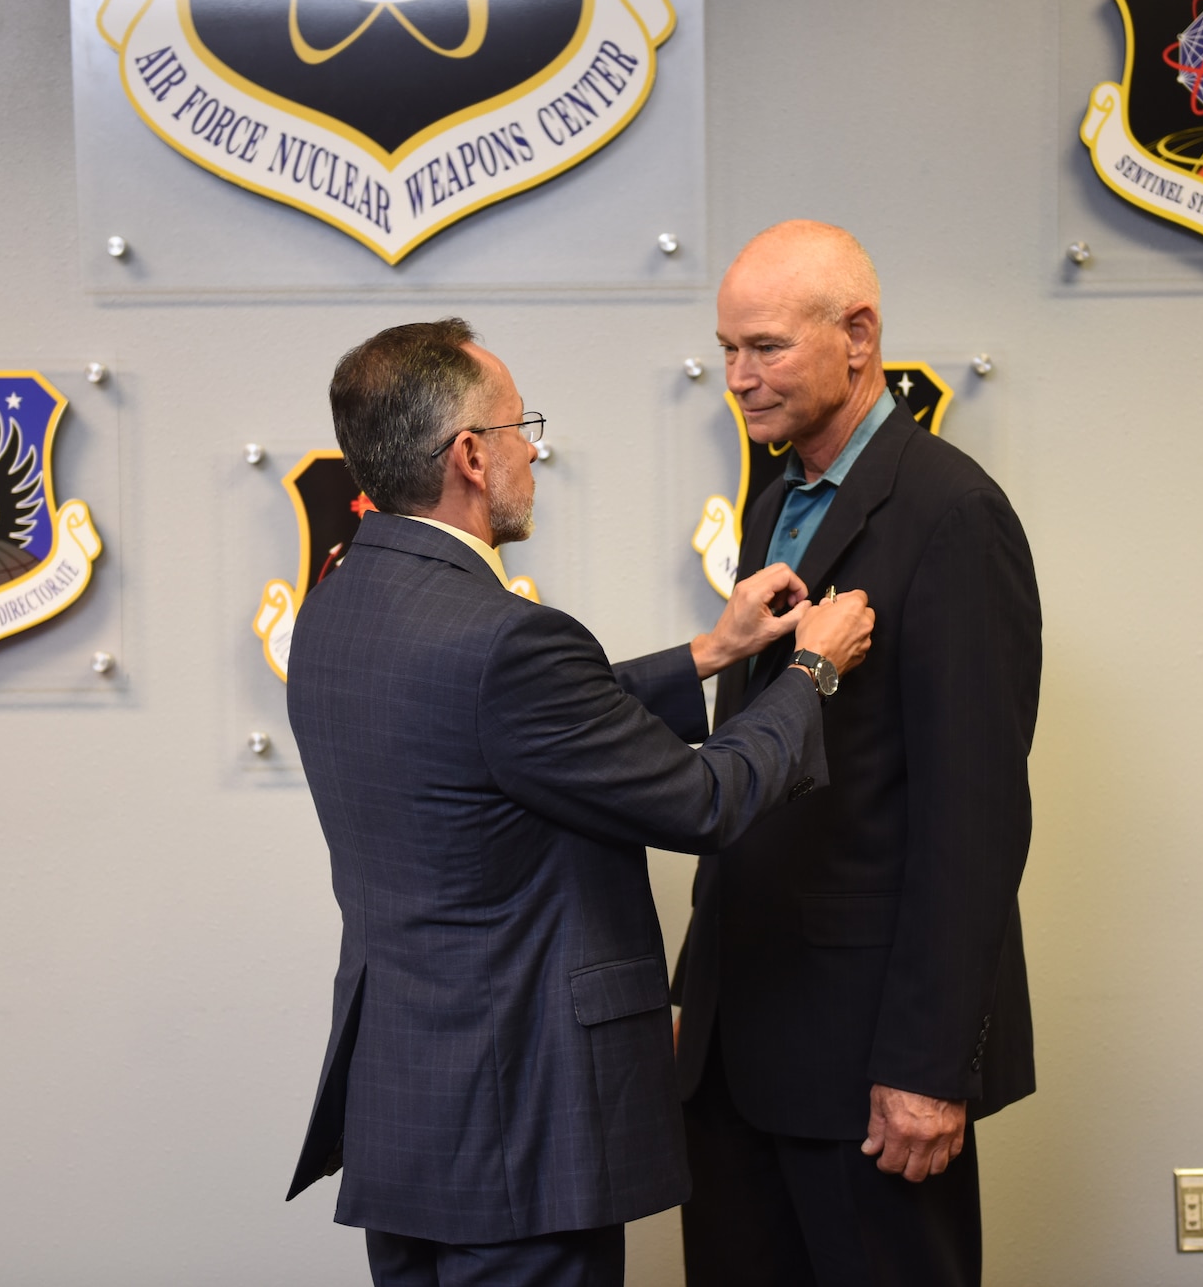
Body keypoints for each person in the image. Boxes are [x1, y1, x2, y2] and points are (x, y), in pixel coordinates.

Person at [283, 318, 876, 1287]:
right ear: (470, 456)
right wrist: (808, 673)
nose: (533, 452)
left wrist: (706, 655)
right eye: (522, 429)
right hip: (517, 1121)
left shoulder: (337, 608)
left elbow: (506, 733)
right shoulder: (506, 641)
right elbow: (702, 801)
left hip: (407, 1113)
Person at [672, 223, 1043, 1287]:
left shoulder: (952, 513)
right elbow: (753, 769)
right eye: (725, 350)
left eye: (764, 349)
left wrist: (929, 1068)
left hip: (868, 1071)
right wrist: (698, 998)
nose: (737, 379)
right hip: (737, 1056)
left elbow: (972, 822)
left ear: (858, 338)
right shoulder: (771, 500)